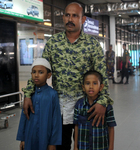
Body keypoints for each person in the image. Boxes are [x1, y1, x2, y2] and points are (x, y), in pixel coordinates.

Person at [22, 2, 113, 150]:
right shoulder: (53, 43)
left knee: (83, 146)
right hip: (58, 108)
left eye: (74, 16)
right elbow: (40, 70)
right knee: (60, 146)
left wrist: (102, 102)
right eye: (67, 15)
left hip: (85, 107)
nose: (70, 19)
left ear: (82, 20)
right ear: (63, 17)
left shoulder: (92, 45)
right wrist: (28, 94)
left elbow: (101, 76)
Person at [16, 58, 62, 150]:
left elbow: (56, 120)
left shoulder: (52, 94)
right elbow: (24, 117)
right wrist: (22, 138)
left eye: (41, 72)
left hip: (45, 138)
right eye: (34, 72)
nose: (36, 75)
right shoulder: (29, 95)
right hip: (29, 137)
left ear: (48, 75)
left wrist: (53, 142)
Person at [74, 70, 116, 150]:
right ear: (83, 87)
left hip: (101, 147)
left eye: (95, 83)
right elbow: (76, 126)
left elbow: (111, 127)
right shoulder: (79, 105)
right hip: (83, 147)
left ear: (101, 87)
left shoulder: (107, 107)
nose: (91, 86)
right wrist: (75, 146)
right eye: (87, 83)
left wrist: (111, 148)